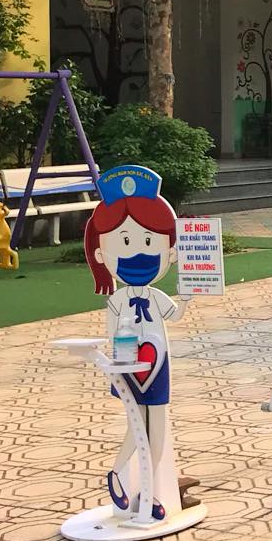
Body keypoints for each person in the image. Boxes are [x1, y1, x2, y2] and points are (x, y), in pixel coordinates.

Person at [85, 165, 196, 520]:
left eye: (149, 241)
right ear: (100, 253)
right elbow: (111, 334)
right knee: (137, 424)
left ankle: (150, 493)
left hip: (157, 365)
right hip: (129, 363)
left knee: (155, 428)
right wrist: (119, 358)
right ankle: (121, 475)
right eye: (124, 242)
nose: (137, 253)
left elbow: (174, 316)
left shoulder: (156, 296)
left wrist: (188, 297)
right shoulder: (117, 301)